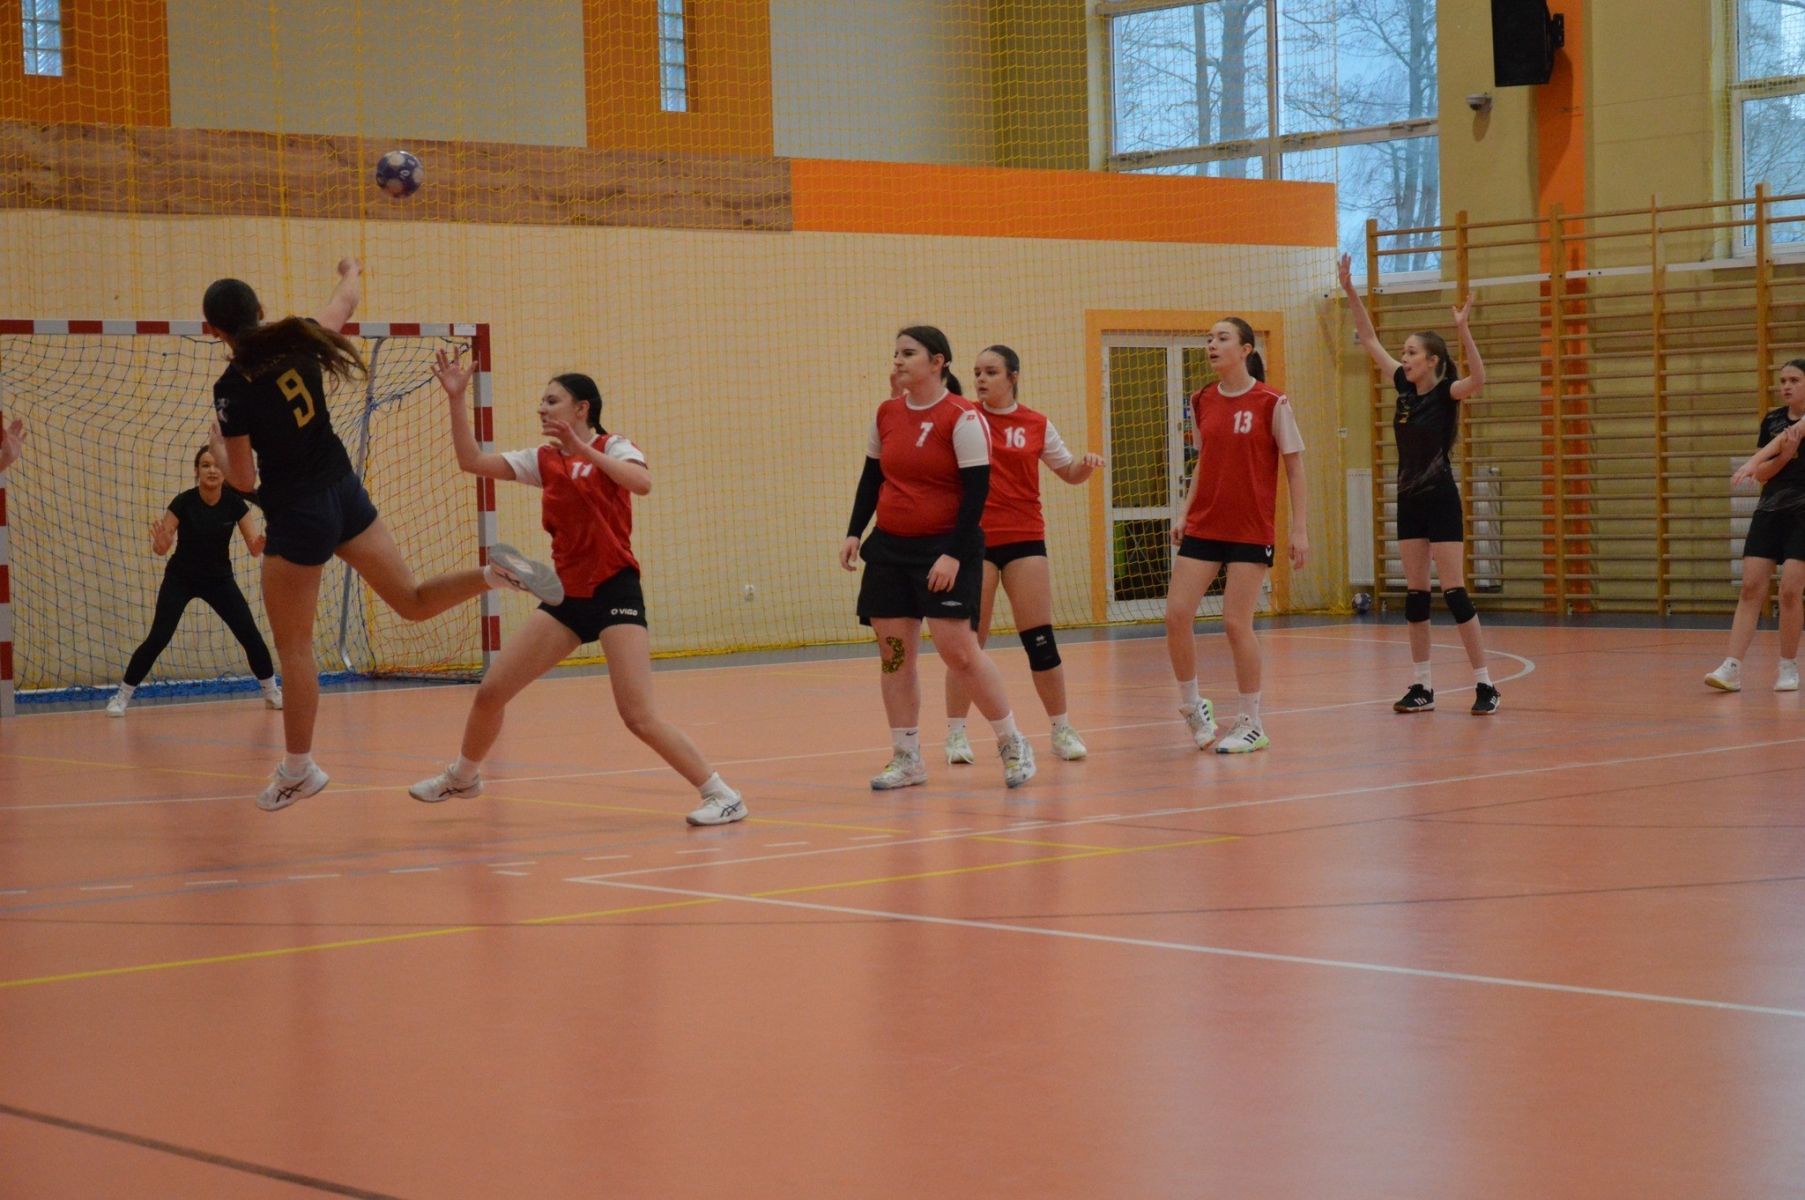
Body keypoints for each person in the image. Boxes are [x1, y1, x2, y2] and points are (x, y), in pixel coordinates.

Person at [205, 259, 560, 811]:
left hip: (297, 512)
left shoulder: (232, 387)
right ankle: (493, 575)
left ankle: (298, 769)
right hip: (343, 492)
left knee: (295, 648)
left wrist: (219, 448)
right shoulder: (300, 337)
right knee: (411, 601)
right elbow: (345, 301)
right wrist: (349, 270)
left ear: (213, 330)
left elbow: (245, 479)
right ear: (261, 311)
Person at [410, 356, 746, 824]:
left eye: (552, 401)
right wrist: (456, 398)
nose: (542, 408)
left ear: (581, 408)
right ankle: (463, 777)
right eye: (541, 402)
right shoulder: (543, 459)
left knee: (638, 716)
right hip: (566, 596)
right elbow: (472, 462)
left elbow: (642, 483)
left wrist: (583, 450)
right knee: (490, 693)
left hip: (614, 590)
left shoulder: (614, 446)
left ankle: (722, 795)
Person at [841, 326, 1036, 790]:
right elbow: (872, 477)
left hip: (946, 549)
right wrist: (854, 531)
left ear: (937, 362)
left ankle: (1012, 742)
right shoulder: (887, 413)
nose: (898, 361)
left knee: (960, 653)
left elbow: (977, 493)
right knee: (894, 657)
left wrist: (952, 555)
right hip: (890, 550)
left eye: (908, 353)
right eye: (896, 353)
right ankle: (907, 757)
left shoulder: (962, 417)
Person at [1339, 254, 1500, 715]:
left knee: (1455, 592)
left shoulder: (1447, 393)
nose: (1404, 358)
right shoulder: (1403, 390)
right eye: (1404, 352)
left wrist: (1463, 330)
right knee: (1415, 596)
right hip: (1408, 500)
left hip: (1441, 500)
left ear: (1432, 362)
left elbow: (1479, 378)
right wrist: (1351, 292)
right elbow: (1369, 338)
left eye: (1412, 353)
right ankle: (1422, 685)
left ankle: (1485, 684)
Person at [942, 345, 1103, 765]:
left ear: (1012, 377)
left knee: (1040, 639)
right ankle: (956, 734)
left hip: (1025, 538)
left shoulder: (1036, 423)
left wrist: (1085, 466)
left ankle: (1061, 729)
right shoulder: (965, 419)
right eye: (977, 372)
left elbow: (1068, 472)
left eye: (991, 372)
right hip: (975, 542)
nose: (981, 379)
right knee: (968, 644)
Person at [1165, 318, 1308, 755]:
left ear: (1245, 349)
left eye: (1222, 338)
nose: (1211, 344)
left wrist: (1299, 529)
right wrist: (1185, 512)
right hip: (1206, 523)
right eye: (1208, 338)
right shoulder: (1201, 399)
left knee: (1234, 622)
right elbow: (1204, 461)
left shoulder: (1272, 402)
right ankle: (1193, 706)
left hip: (1250, 529)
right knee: (1176, 615)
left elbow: (1294, 469)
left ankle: (1251, 721)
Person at [107, 447, 280, 715]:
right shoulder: (183, 502)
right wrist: (161, 543)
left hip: (219, 580)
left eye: (217, 465)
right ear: (197, 471)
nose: (212, 470)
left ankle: (271, 693)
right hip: (181, 579)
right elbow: (161, 547)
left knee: (250, 634)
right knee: (158, 637)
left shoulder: (235, 504)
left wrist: (259, 544)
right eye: (206, 465)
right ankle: (122, 697)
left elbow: (254, 548)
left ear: (225, 472)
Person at [1709, 358, 1805, 692]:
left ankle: (1788, 667)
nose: (1786, 386)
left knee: (1790, 590)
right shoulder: (1773, 420)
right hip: (1770, 510)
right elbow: (1762, 473)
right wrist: (1783, 456)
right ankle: (1731, 668)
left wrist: (1762, 459)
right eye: (1783, 380)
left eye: (1794, 380)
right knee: (1751, 587)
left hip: (1804, 514)